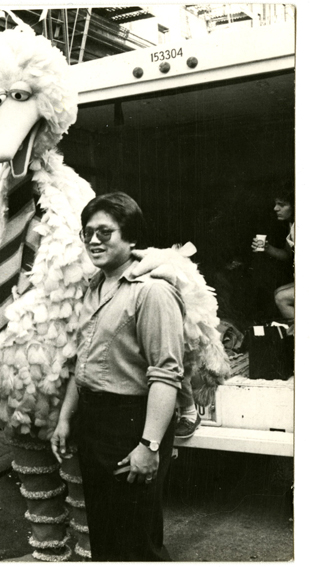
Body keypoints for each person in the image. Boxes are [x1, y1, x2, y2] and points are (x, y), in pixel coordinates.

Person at [51, 192, 184, 561]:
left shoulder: (153, 291)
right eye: (88, 232)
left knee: (138, 539)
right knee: (106, 534)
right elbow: (84, 362)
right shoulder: (94, 286)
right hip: (95, 422)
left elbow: (166, 374)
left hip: (133, 423)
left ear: (131, 237)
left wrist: (150, 445)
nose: (94, 240)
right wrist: (65, 417)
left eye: (105, 232)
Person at [252, 183, 295, 330]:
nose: (275, 208)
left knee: (281, 298)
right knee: (278, 292)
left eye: (281, 205)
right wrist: (267, 248)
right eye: (276, 204)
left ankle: (301, 337)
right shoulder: (292, 226)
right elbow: (287, 255)